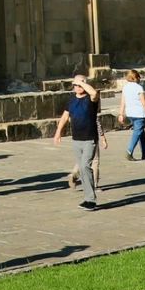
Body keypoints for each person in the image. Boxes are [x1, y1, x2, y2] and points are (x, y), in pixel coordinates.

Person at [53, 74, 102, 209]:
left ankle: (91, 199)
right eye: (75, 85)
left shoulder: (91, 99)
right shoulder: (71, 101)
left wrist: (82, 82)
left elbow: (93, 92)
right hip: (76, 139)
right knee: (81, 168)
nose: (77, 87)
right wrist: (58, 132)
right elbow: (64, 117)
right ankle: (87, 198)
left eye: (80, 85)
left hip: (89, 138)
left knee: (86, 166)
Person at [119, 68, 145, 160]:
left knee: (141, 132)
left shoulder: (125, 87)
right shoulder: (138, 87)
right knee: (137, 132)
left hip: (130, 113)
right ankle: (129, 151)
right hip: (138, 113)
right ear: (136, 78)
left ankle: (144, 153)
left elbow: (122, 102)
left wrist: (121, 114)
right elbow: (144, 102)